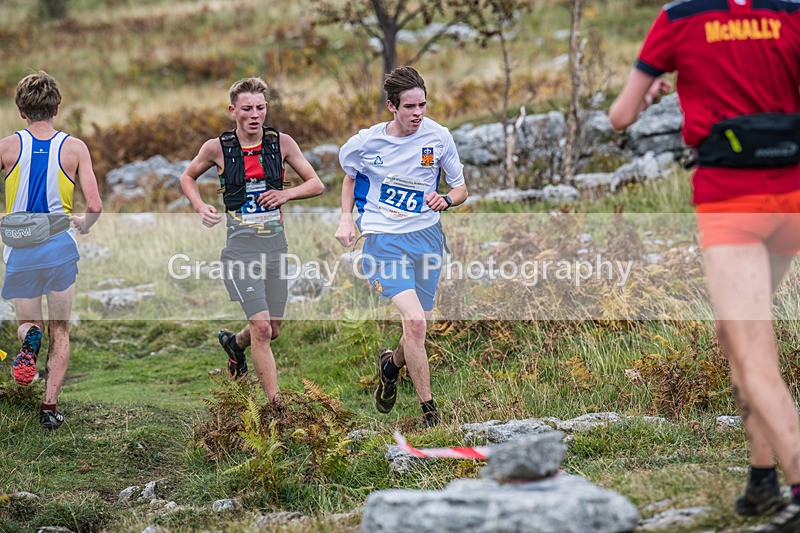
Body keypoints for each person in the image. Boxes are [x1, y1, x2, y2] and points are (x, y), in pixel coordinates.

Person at [609, 2, 800, 531]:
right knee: (734, 334)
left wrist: (648, 95)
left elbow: (620, 116)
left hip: (731, 206)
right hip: (792, 197)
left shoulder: (679, 19)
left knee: (754, 352)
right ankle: (763, 481)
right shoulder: (790, 13)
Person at [335, 66, 468, 427]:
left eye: (422, 105)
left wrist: (447, 200)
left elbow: (460, 189)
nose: (418, 113)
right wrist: (346, 219)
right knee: (414, 322)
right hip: (383, 239)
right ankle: (430, 414)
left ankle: (390, 368)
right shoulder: (366, 142)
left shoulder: (439, 137)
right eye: (409, 107)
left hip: (426, 237)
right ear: (392, 106)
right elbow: (350, 179)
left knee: (418, 324)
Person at [180, 77, 324, 404]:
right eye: (247, 109)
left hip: (275, 248)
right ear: (233, 111)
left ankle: (234, 345)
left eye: (260, 108)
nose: (254, 114)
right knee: (261, 330)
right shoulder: (217, 148)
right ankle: (276, 406)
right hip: (240, 252)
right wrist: (201, 206)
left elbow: (316, 184)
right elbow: (187, 177)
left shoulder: (282, 143)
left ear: (266, 109)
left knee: (273, 330)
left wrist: (286, 194)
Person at [0, 71, 102, 430]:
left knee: (29, 324)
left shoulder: (7, 146)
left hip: (21, 249)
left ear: (20, 110)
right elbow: (95, 205)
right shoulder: (74, 148)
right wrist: (84, 225)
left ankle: (28, 339)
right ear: (57, 108)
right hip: (60, 246)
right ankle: (49, 408)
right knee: (61, 330)